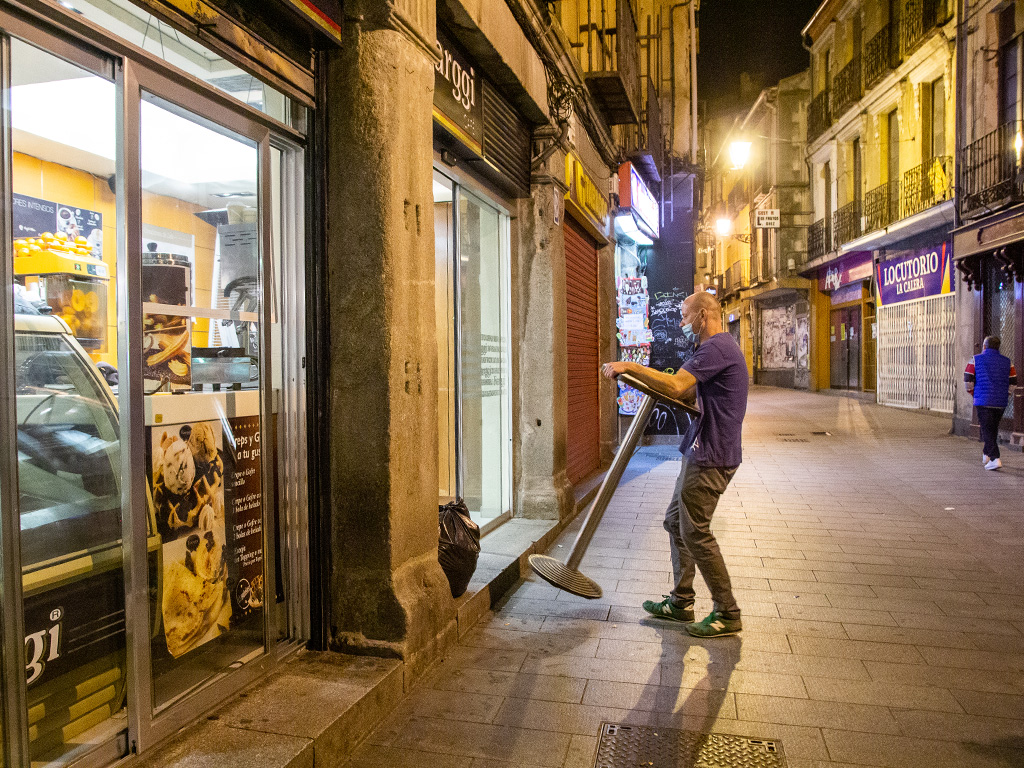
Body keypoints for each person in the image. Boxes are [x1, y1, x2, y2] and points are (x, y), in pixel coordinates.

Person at [602, 291, 748, 638]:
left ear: (702, 314)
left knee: (695, 530)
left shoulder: (716, 348)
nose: (681, 323)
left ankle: (727, 612)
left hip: (712, 454)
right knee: (675, 522)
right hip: (705, 448)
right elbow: (684, 393)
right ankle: (681, 601)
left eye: (684, 316)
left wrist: (631, 366)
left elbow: (677, 383)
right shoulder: (717, 350)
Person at [964, 336, 1017, 470]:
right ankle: (986, 454)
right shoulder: (1008, 362)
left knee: (987, 429)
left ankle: (994, 458)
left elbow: (968, 379)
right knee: (992, 428)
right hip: (1000, 402)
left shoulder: (975, 359)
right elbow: (1013, 382)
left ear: (984, 346)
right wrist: (1007, 394)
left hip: (983, 401)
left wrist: (973, 393)